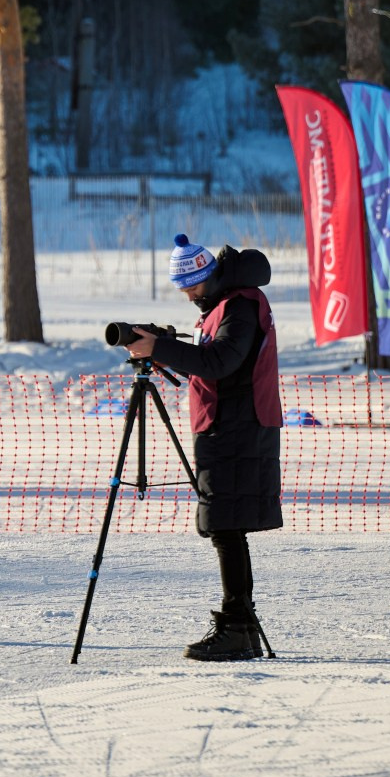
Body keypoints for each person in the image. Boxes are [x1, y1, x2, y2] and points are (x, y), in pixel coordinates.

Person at [121, 233, 282, 661]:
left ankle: (237, 628)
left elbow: (221, 362)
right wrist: (167, 350)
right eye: (182, 289)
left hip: (239, 429)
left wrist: (165, 349)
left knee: (226, 525)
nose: (189, 295)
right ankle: (239, 626)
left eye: (192, 285)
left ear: (209, 275)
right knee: (223, 524)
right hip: (225, 427)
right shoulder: (223, 307)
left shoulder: (241, 306)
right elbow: (216, 361)